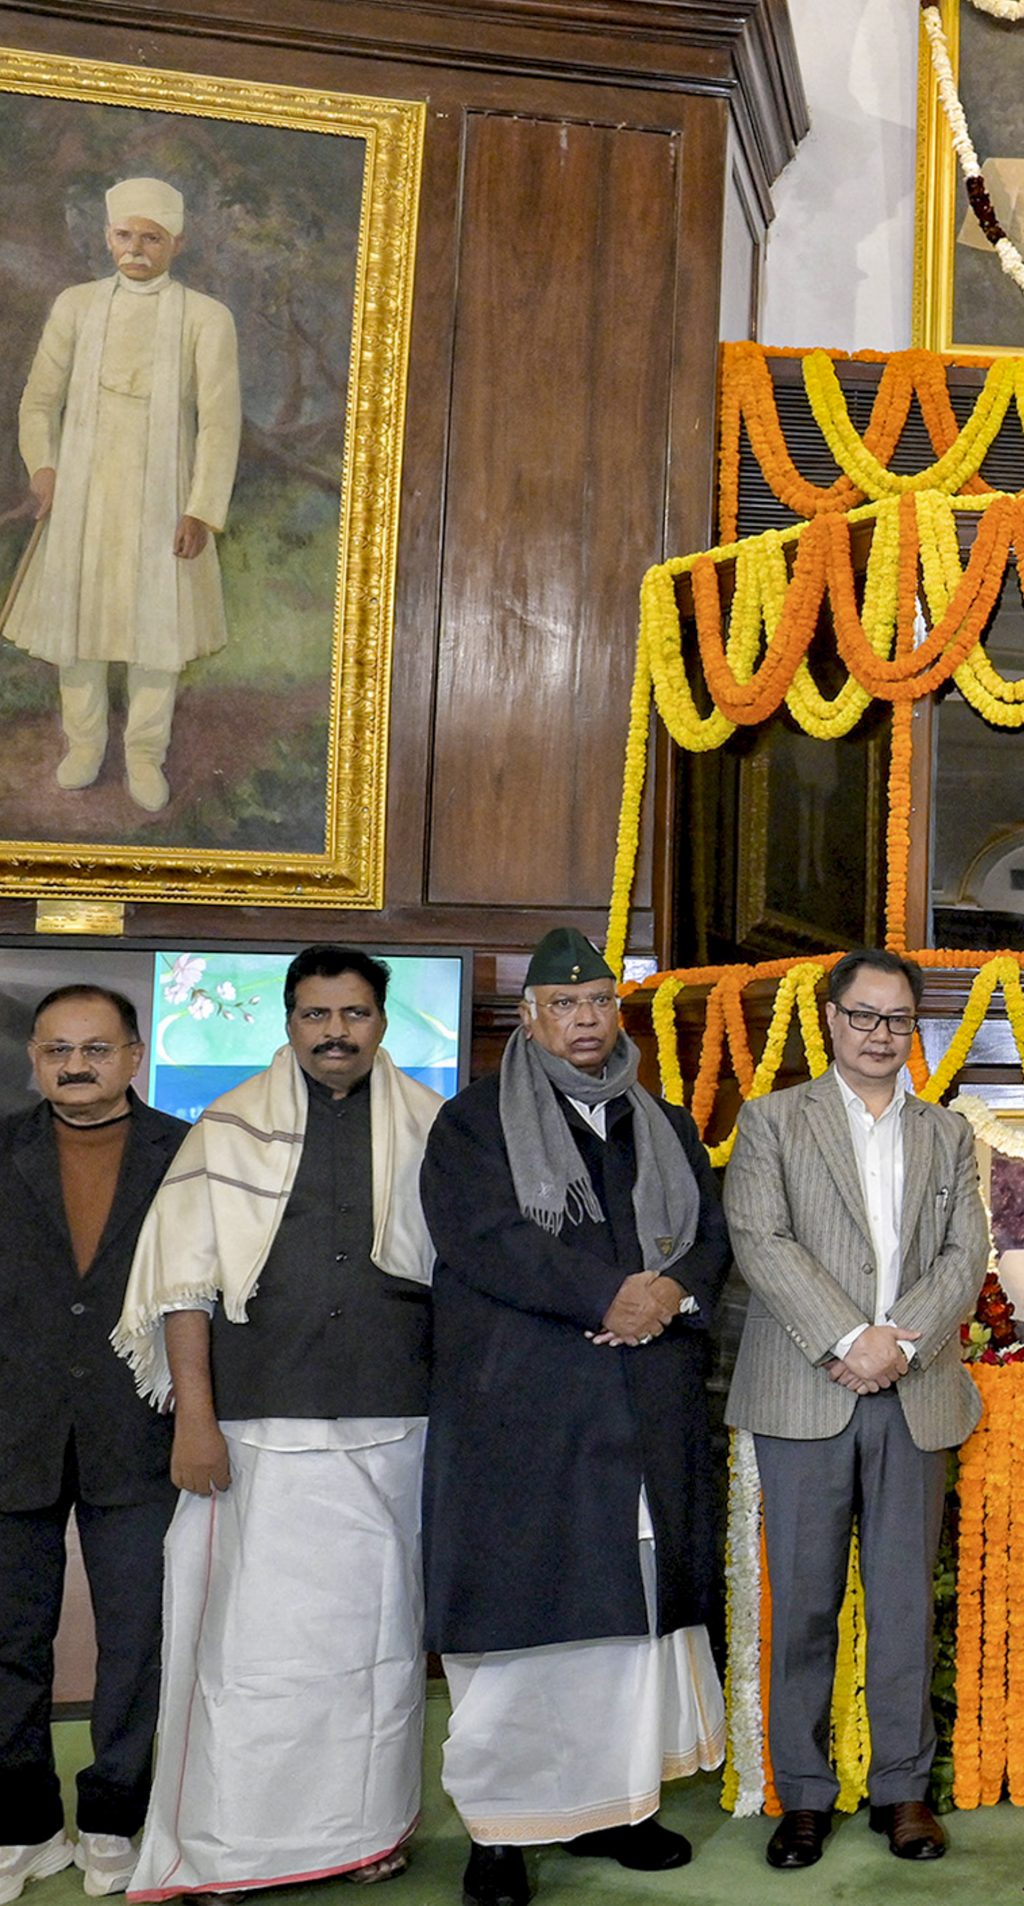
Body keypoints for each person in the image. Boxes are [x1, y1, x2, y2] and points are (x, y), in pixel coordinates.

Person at [112, 946, 444, 1901]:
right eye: (315, 1015)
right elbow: (183, 1288)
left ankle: (367, 1834)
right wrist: (196, 1422)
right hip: (259, 1432)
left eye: (354, 1014)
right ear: (288, 1021)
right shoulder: (225, 1130)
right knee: (249, 1656)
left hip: (398, 1424)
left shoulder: (436, 1128)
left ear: (382, 1022)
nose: (335, 1032)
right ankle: (230, 1849)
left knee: (379, 1652)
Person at [420, 928, 729, 1906]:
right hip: (529, 1417)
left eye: (599, 1000)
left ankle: (620, 1809)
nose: (586, 1019)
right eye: (564, 1004)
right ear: (530, 1016)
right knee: (526, 1626)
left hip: (644, 1412)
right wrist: (609, 1296)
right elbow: (486, 1240)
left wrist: (669, 1292)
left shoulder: (662, 1121)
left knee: (630, 1624)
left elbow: (710, 1234)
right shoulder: (473, 1123)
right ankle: (500, 1833)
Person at [723, 948, 988, 1868]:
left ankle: (902, 1790)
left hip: (915, 1392)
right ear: (831, 1020)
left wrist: (898, 1345)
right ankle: (802, 1794)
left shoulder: (947, 1133)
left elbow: (965, 1254)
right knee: (803, 1602)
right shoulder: (772, 1120)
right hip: (807, 1389)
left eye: (898, 1019)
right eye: (865, 1016)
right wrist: (848, 1338)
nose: (881, 1034)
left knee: (905, 1601)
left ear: (915, 1028)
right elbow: (761, 1239)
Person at [0, 987, 185, 1902]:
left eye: (96, 1048)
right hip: (11, 1432)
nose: (76, 1065)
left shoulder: (187, 1156)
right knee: (8, 1642)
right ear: (36, 1059)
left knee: (137, 1641)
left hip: (143, 1431)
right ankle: (23, 1824)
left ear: (134, 1056)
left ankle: (114, 1816)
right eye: (58, 1050)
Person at [4, 176, 240, 815]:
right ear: (108, 236)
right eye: (124, 235)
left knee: (156, 627)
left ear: (177, 243)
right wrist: (43, 467)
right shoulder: (75, 306)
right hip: (83, 493)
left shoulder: (206, 318)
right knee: (78, 623)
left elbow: (220, 423)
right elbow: (39, 401)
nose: (136, 249)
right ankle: (84, 745)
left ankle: (144, 753)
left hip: (163, 496)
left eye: (151, 238)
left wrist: (200, 508)